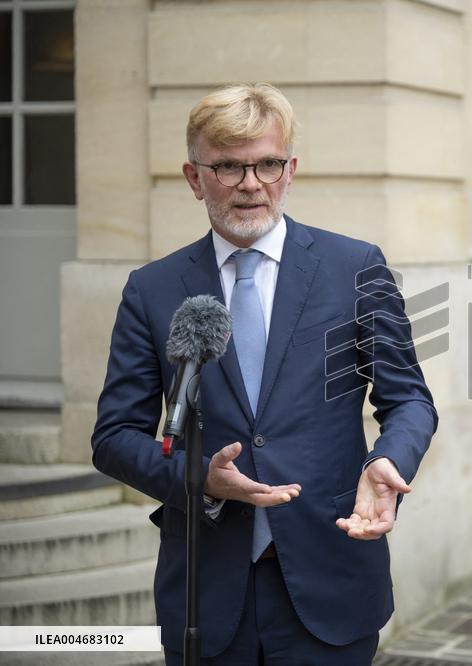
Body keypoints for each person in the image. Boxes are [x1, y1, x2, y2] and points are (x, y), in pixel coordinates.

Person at [91, 82, 437, 665]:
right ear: (194, 177)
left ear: (291, 169)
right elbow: (113, 437)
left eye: (267, 164)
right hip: (206, 592)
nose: (251, 184)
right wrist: (198, 476)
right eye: (228, 167)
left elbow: (409, 402)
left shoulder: (354, 266)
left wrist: (389, 461)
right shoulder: (152, 290)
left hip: (331, 576)